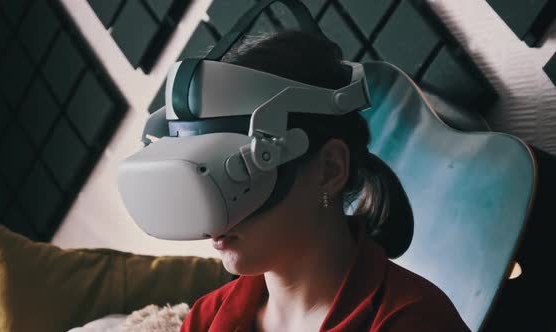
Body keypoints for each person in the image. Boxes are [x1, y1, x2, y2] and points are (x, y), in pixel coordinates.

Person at [180, 30, 469, 332]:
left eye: (237, 170)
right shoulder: (206, 317)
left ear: (330, 169)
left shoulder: (414, 321)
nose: (214, 213)